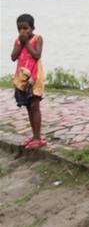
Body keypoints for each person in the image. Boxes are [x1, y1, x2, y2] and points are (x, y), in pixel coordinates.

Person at [11, 13, 46, 149]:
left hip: (34, 77)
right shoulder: (17, 41)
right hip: (22, 78)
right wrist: (21, 44)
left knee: (34, 106)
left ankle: (38, 137)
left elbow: (37, 55)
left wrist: (26, 43)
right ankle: (34, 135)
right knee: (28, 106)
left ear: (32, 28)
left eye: (25, 28)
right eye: (19, 29)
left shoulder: (38, 39)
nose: (22, 31)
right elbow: (13, 57)